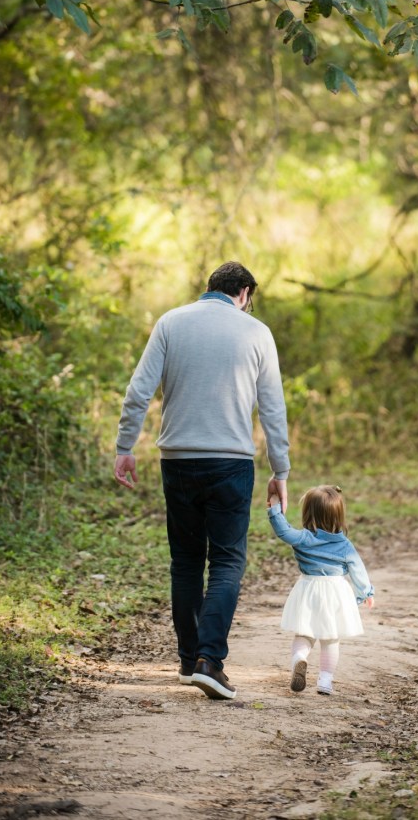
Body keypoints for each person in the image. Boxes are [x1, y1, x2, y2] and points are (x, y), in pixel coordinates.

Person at [114, 261, 290, 701]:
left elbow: (139, 391)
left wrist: (124, 447)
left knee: (187, 561)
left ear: (210, 287)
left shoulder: (171, 322)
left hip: (178, 461)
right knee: (227, 562)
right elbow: (273, 408)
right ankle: (210, 662)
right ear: (245, 292)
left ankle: (189, 658)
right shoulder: (256, 333)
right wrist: (280, 470)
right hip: (231, 463)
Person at [267, 484, 374, 696]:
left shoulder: (303, 538)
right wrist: (365, 592)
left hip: (308, 589)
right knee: (331, 639)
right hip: (335, 592)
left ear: (308, 512)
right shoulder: (344, 544)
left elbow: (283, 530)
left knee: (305, 633)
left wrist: (274, 509)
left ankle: (300, 659)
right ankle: (325, 681)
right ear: (339, 515)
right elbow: (357, 569)